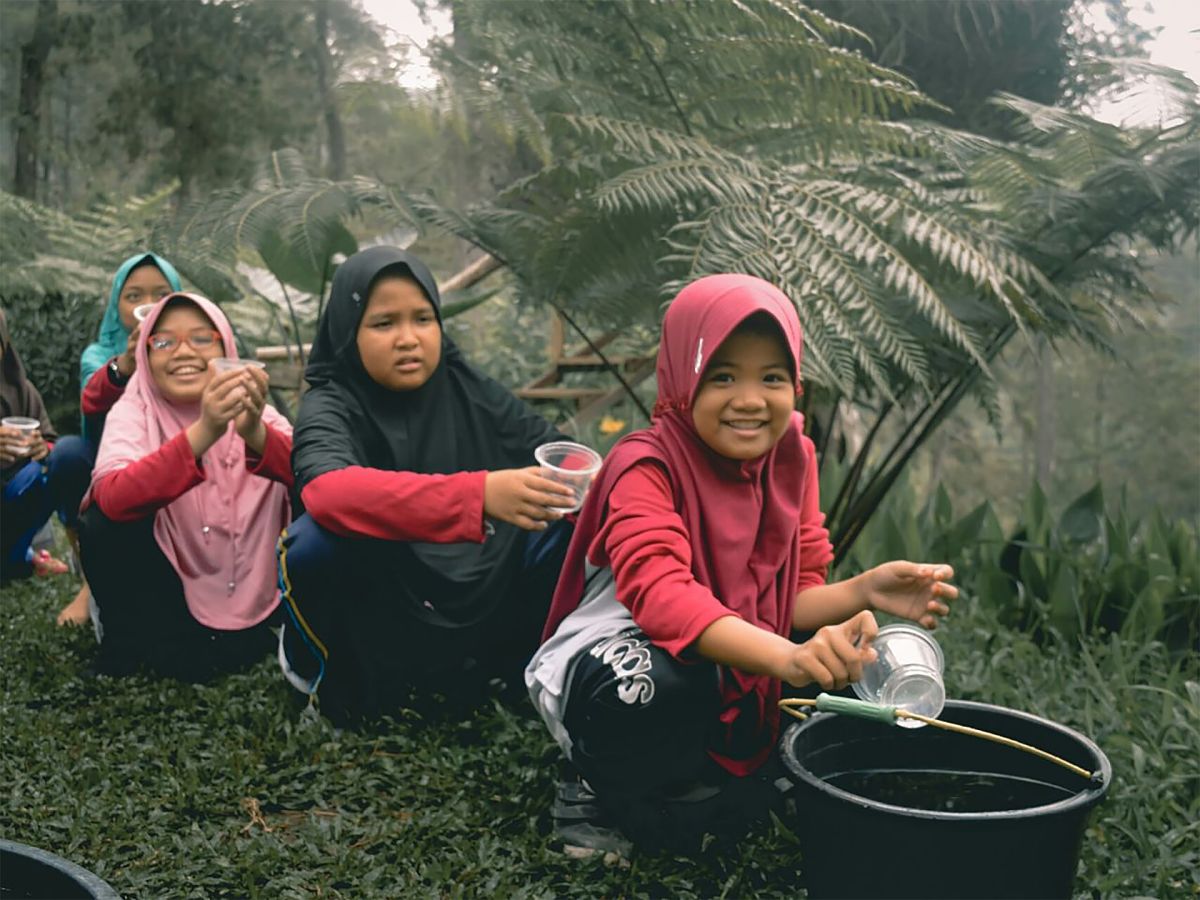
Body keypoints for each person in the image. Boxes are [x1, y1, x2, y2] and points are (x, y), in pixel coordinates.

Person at [527, 274, 958, 857]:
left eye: (772, 378)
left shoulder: (791, 456)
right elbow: (663, 599)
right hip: (626, 647)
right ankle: (592, 789)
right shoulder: (644, 465)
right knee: (660, 679)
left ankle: (720, 766)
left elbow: (792, 601)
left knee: (859, 658)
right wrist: (789, 656)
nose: (751, 400)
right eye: (723, 376)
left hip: (735, 638)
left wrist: (865, 590)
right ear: (684, 377)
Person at [278, 246, 576, 726]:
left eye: (422, 319)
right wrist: (478, 496)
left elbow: (552, 450)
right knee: (313, 543)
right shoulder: (329, 403)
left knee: (567, 521)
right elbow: (328, 492)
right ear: (347, 331)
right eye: (384, 323)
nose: (408, 339)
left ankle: (515, 666)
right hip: (386, 584)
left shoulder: (465, 385)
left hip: (477, 573)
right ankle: (328, 676)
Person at [77, 292, 293, 681]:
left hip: (254, 587)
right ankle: (131, 643)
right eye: (163, 341)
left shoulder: (252, 408)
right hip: (166, 593)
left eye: (200, 338)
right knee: (101, 522)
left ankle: (254, 627)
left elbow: (313, 473)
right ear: (144, 353)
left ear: (225, 345)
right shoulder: (133, 409)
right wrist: (205, 431)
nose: (183, 352)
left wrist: (255, 433)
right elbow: (111, 498)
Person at [56, 252, 183, 626]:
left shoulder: (190, 349)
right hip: (108, 463)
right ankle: (89, 579)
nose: (148, 306)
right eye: (134, 296)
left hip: (169, 459)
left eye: (160, 295)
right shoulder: (99, 354)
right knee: (67, 455)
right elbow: (92, 402)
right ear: (117, 305)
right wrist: (126, 364)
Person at [1, 310, 89, 582]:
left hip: (13, 496)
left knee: (61, 460)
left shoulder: (20, 390)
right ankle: (21, 559)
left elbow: (50, 440)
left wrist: (42, 449)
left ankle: (18, 557)